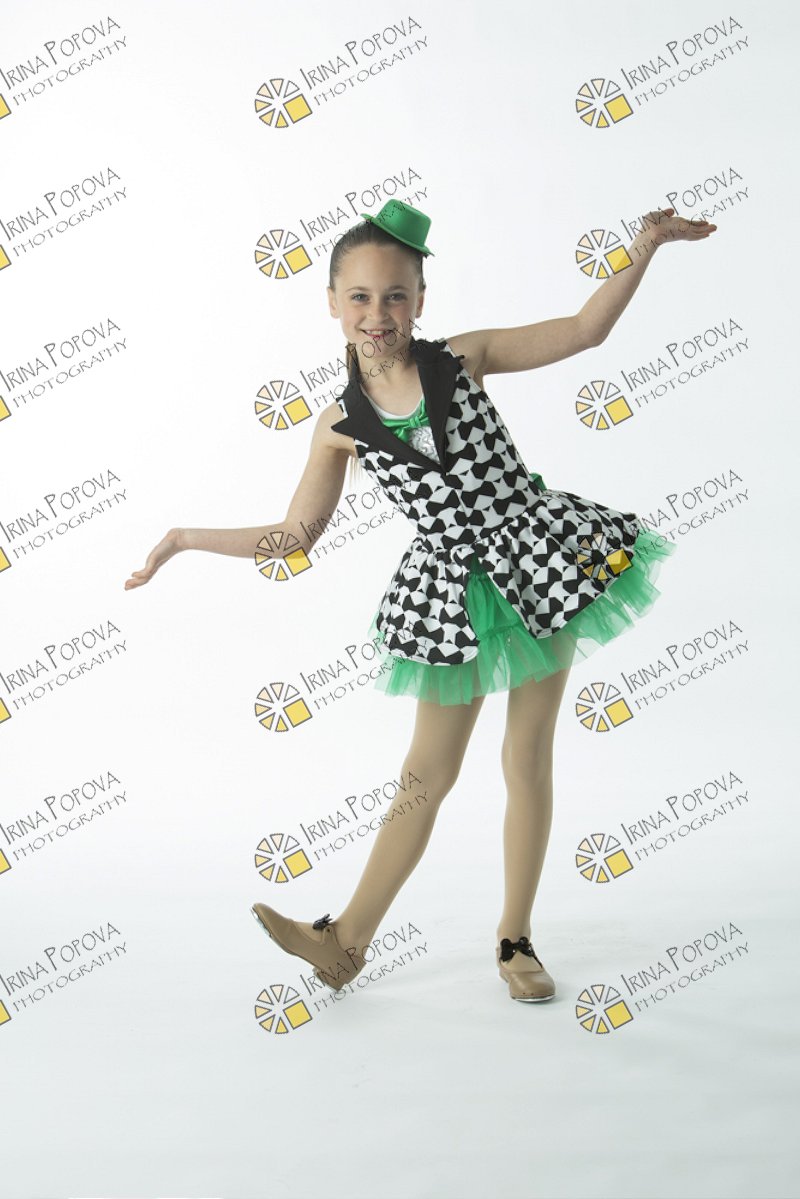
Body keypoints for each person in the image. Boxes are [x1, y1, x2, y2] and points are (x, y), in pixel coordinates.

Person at [124, 200, 716, 1002]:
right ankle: (345, 942)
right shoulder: (339, 425)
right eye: (360, 297)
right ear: (333, 303)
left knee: (525, 755)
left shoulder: (462, 360)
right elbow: (296, 536)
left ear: (420, 300)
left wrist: (644, 247)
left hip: (538, 562)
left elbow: (585, 330)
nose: (378, 314)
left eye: (396, 296)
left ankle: (515, 939)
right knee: (424, 773)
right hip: (448, 593)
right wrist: (186, 538)